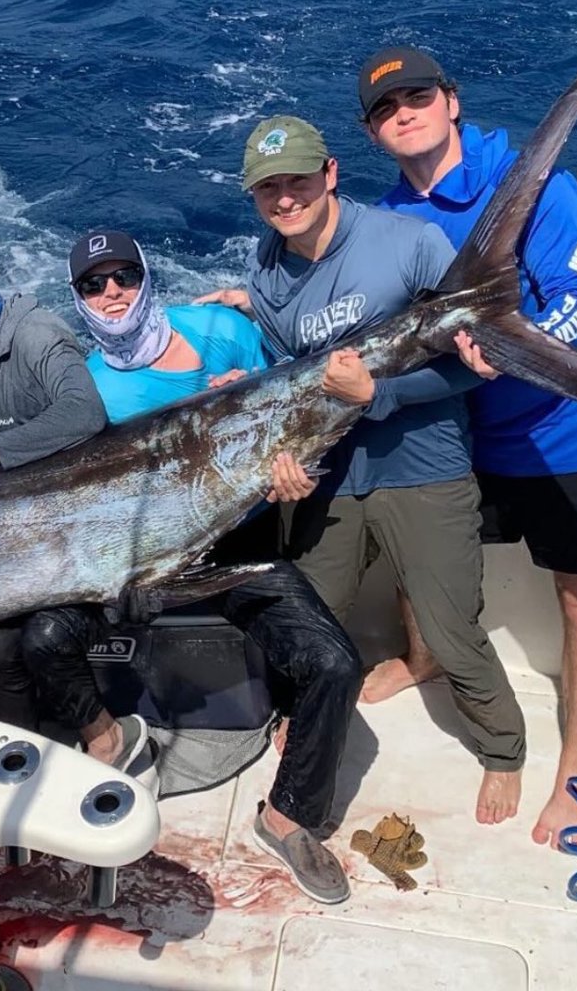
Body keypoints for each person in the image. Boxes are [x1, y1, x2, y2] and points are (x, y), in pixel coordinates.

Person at [200, 115, 527, 825]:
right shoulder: (266, 273)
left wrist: (378, 395)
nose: (284, 199)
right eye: (268, 189)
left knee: (451, 633)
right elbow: (295, 382)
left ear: (331, 173)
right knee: (310, 624)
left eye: (296, 181)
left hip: (425, 467)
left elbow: (473, 371)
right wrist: (277, 453)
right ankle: (307, 719)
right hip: (331, 477)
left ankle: (503, 750)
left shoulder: (409, 243)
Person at [359, 44, 577, 846]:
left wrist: (510, 349)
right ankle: (426, 655)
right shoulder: (386, 220)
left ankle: (575, 765)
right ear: (371, 133)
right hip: (464, 431)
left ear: (451, 100)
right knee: (417, 555)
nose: (402, 112)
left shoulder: (539, 186)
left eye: (416, 96)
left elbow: (575, 302)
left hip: (572, 430)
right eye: (382, 108)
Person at [68, 227, 363, 905]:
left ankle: (287, 817)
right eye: (93, 284)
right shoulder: (88, 387)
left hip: (236, 543)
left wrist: (292, 469)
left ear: (146, 280)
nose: (111, 294)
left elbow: (295, 407)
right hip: (144, 561)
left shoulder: (219, 330)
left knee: (335, 663)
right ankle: (98, 741)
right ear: (79, 298)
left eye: (124, 278)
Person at [0, 232, 158, 785]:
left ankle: (108, 738)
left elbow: (83, 414)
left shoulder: (37, 332)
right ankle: (26, 765)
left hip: (92, 531)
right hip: (23, 537)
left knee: (38, 637)